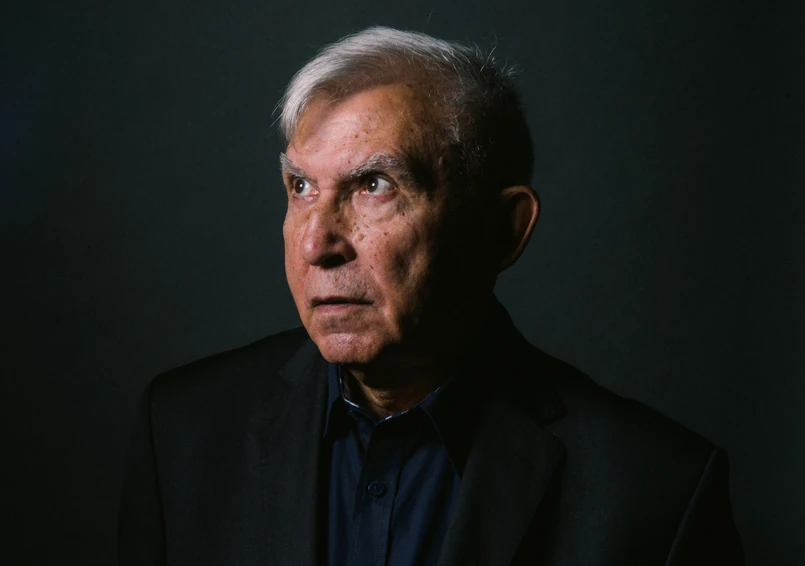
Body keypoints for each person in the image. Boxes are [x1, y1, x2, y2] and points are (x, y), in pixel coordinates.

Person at [119, 27, 745, 565]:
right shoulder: (182, 433)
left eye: (374, 184)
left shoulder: (656, 495)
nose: (315, 244)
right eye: (301, 187)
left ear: (503, 231)